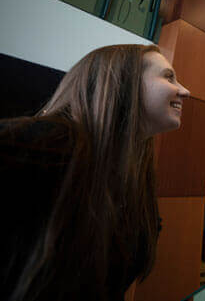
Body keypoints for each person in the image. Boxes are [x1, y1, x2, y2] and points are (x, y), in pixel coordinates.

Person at [0, 44, 190, 301]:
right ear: (124, 81)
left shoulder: (135, 178)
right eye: (169, 77)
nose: (185, 91)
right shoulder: (35, 147)